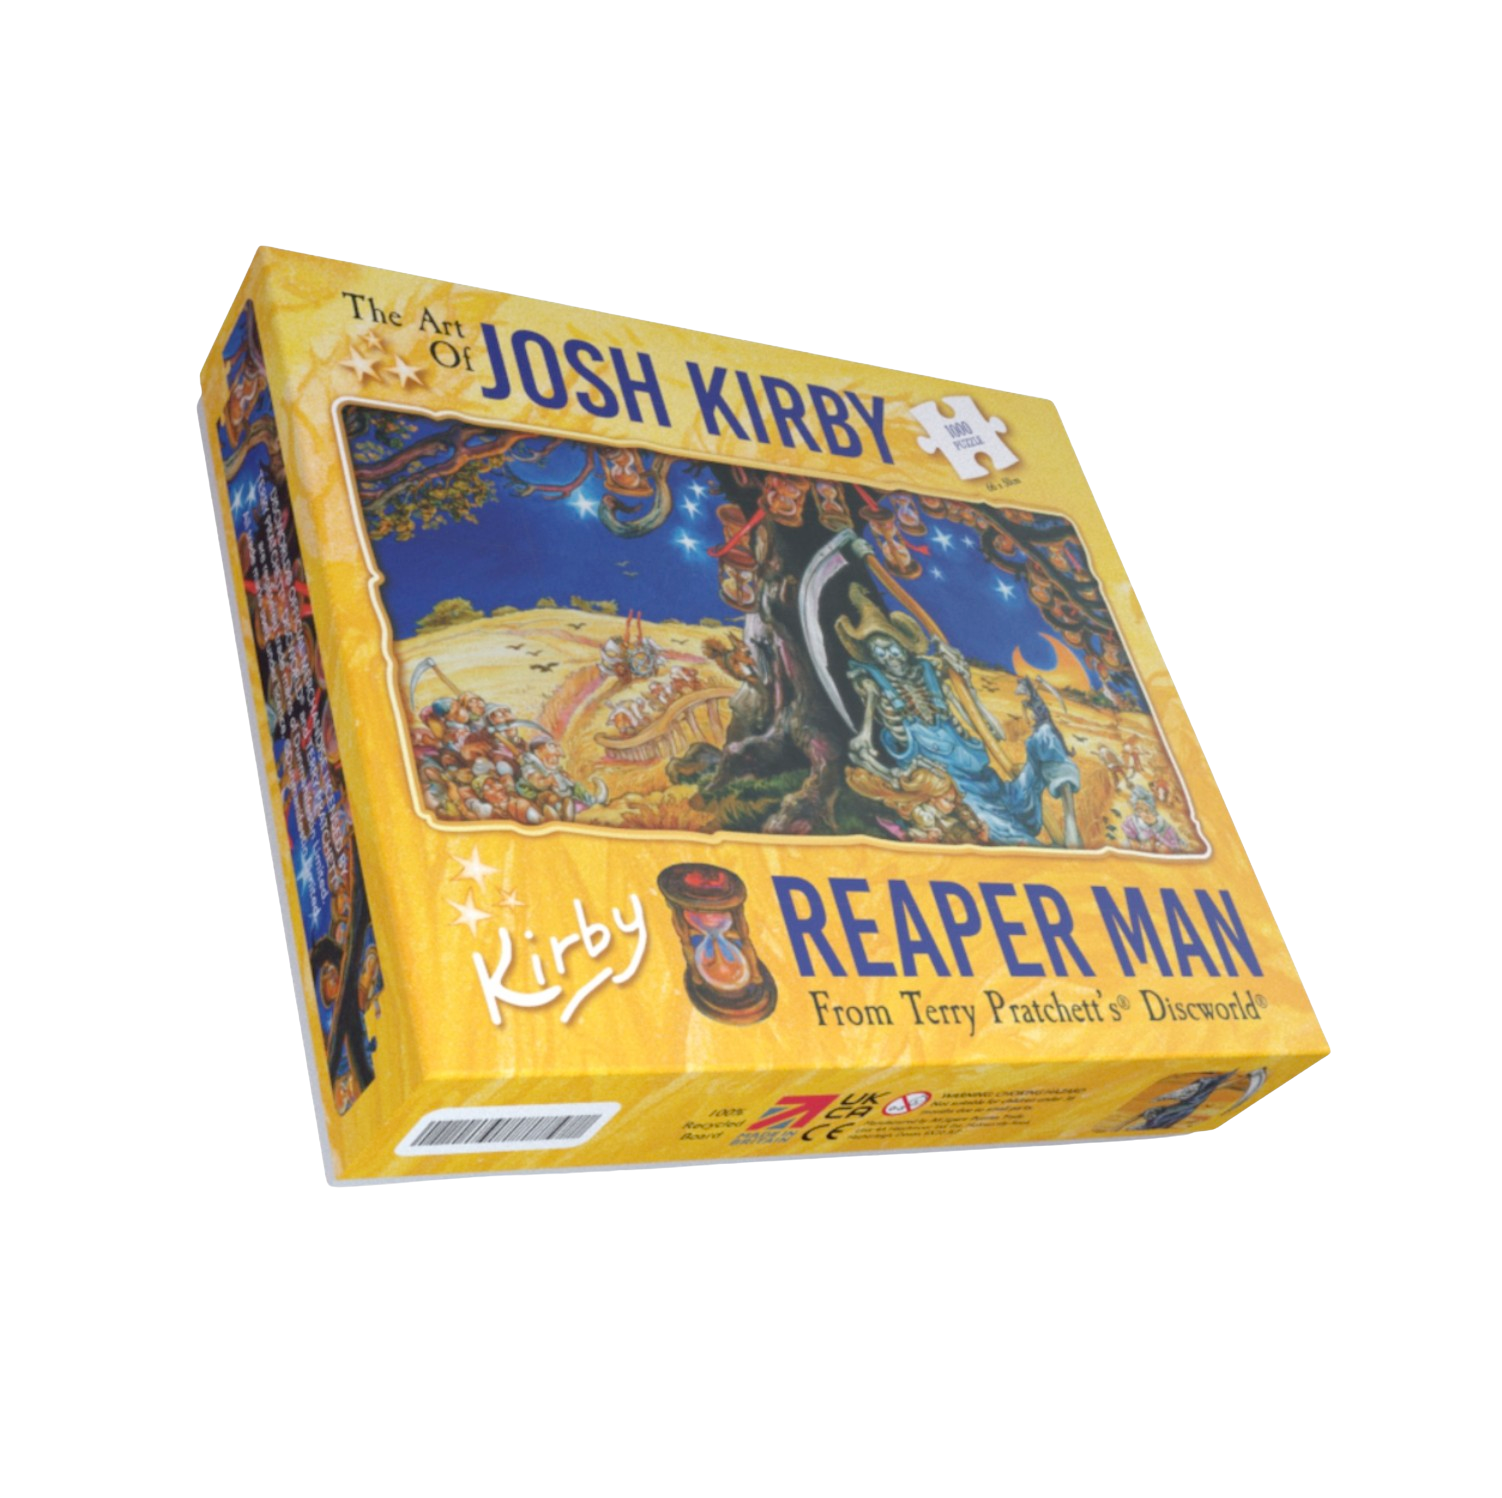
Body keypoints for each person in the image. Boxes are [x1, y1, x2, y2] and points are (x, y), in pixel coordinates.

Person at [838, 587, 1078, 846]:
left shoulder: (933, 677)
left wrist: (967, 685)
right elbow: (861, 748)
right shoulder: (875, 687)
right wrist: (896, 772)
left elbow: (994, 732)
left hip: (997, 787)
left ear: (903, 645)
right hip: (966, 800)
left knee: (1045, 736)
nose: (888, 657)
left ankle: (1071, 821)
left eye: (891, 648)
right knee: (1026, 846)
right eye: (878, 652)